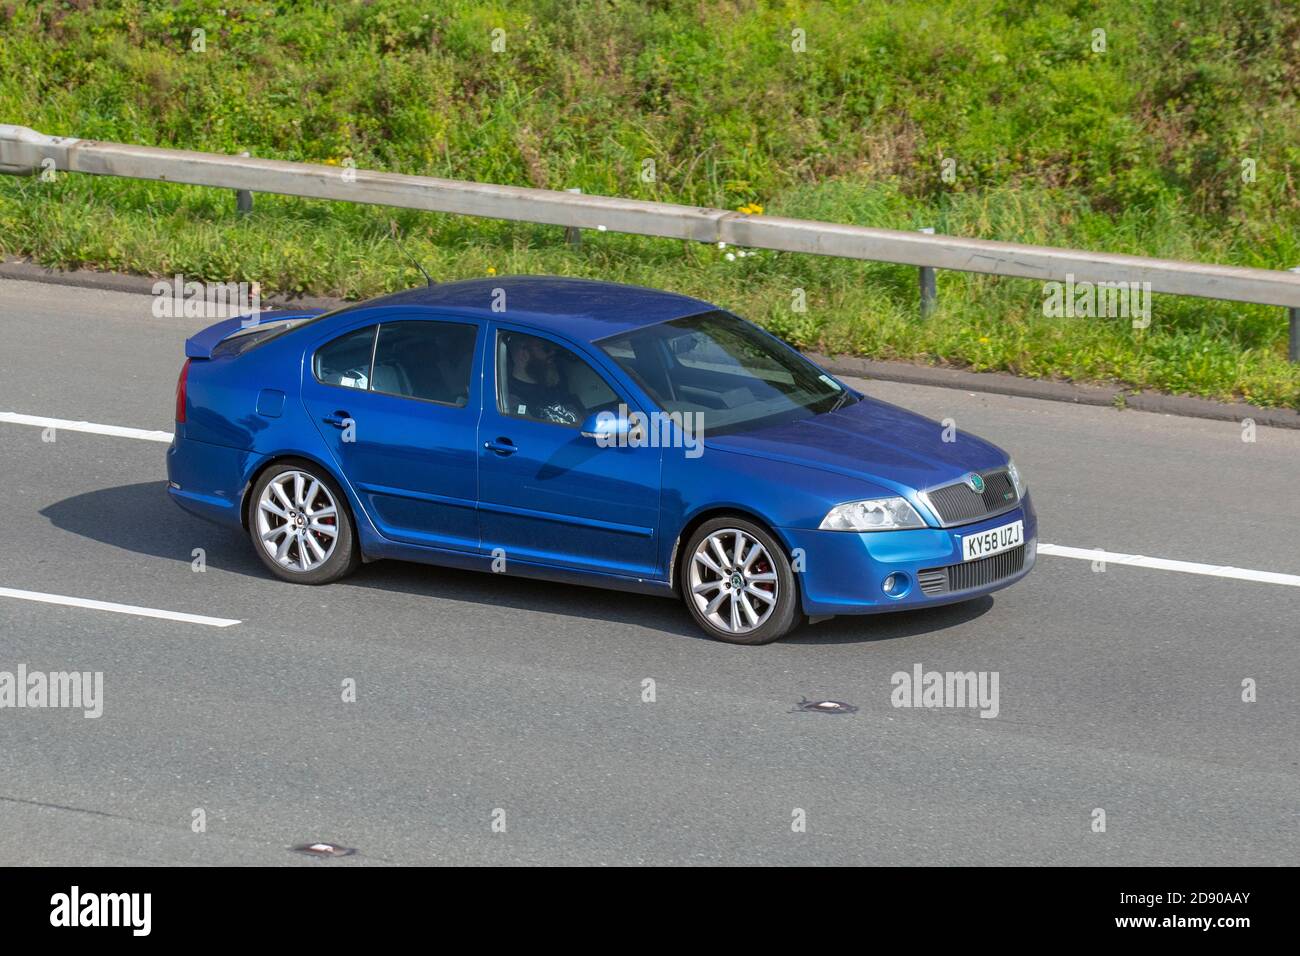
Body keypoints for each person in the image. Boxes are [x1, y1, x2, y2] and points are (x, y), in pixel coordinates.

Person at [505, 335, 580, 424]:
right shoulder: (512, 398)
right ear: (523, 354)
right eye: (545, 348)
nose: (552, 352)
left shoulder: (554, 382)